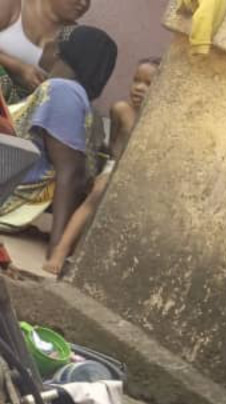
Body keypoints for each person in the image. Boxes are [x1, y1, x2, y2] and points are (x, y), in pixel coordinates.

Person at [0, 25, 114, 276]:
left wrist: (57, 246)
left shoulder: (63, 91)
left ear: (63, 52)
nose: (46, 43)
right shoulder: (81, 104)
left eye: (53, 41)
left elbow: (70, 172)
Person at [38, 56, 156, 276]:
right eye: (136, 80)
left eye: (149, 84)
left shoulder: (159, 122)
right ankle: (60, 251)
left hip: (139, 175)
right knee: (97, 194)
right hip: (115, 168)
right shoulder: (121, 109)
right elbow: (114, 145)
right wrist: (107, 172)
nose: (139, 88)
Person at [0, 0, 89, 104]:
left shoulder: (74, 37)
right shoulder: (13, 5)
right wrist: (20, 68)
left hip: (24, 105)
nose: (83, 4)